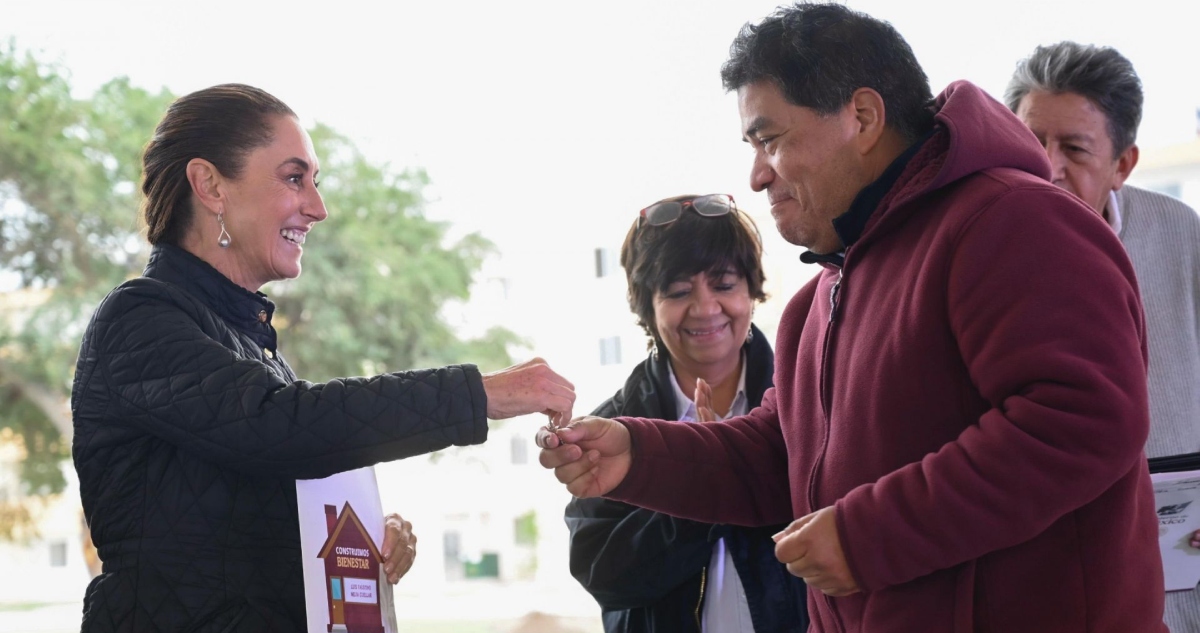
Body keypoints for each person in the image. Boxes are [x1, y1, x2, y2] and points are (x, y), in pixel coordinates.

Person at [538, 3, 1165, 631]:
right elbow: (781, 457)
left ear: (862, 116)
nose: (758, 175)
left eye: (771, 140)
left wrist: (870, 536)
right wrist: (639, 453)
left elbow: (1085, 418)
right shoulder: (822, 297)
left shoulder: (1013, 221)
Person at [70, 83, 575, 632]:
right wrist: (479, 393)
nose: (318, 207)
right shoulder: (139, 318)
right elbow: (280, 425)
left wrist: (361, 536)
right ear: (210, 185)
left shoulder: (249, 342)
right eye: (294, 178)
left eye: (316, 181)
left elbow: (273, 481)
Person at [1006, 41, 1200, 632]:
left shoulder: (1180, 236)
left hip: (1174, 579)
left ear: (1123, 165)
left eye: (1074, 148)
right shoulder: (974, 247)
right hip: (1033, 582)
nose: (1047, 166)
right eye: (1032, 141)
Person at [565, 194, 809, 633]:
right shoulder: (610, 430)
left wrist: (735, 458)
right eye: (679, 291)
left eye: (725, 284)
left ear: (752, 290)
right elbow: (606, 576)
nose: (705, 308)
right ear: (646, 306)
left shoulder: (808, 403)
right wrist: (699, 473)